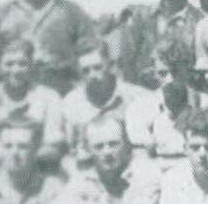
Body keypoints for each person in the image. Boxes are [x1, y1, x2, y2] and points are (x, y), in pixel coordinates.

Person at [0, 0, 99, 94]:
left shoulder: (70, 11)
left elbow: (91, 54)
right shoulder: (5, 12)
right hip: (17, 92)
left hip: (61, 89)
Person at [0, 38, 68, 173]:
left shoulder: (49, 97)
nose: (15, 71)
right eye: (9, 64)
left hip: (39, 167)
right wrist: (5, 155)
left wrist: (25, 158)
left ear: (31, 65)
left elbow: (55, 146)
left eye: (22, 64)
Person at [114, 0, 204, 88]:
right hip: (141, 92)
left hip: (179, 95)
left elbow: (199, 68)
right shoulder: (140, 16)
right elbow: (124, 61)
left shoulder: (199, 22)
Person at [60, 40, 147, 173]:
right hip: (89, 173)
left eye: (97, 67)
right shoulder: (71, 104)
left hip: (135, 170)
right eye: (85, 71)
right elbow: (71, 151)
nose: (92, 75)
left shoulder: (136, 98)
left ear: (110, 65)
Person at [124, 41, 204, 165]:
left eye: (176, 72)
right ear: (154, 73)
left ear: (188, 70)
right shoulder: (139, 109)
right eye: (163, 73)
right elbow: (141, 160)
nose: (169, 80)